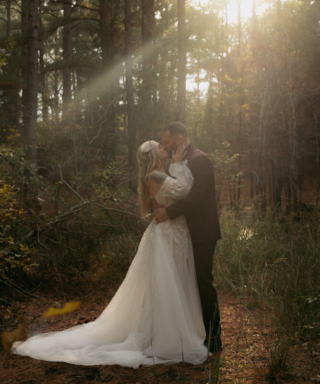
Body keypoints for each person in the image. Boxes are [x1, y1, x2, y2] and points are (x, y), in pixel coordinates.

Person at [12, 141, 208, 368]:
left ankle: (174, 329)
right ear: (155, 153)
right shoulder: (156, 175)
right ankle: (167, 336)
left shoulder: (158, 174)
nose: (165, 147)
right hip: (168, 234)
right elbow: (183, 189)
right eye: (160, 147)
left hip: (174, 231)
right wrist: (176, 165)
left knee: (175, 280)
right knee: (167, 283)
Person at [154, 122, 222, 352]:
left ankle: (214, 338)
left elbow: (199, 198)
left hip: (202, 232)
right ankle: (189, 333)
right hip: (180, 233)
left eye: (167, 142)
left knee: (203, 282)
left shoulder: (200, 160)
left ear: (179, 140)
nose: (164, 145)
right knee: (182, 282)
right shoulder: (173, 161)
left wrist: (169, 212)